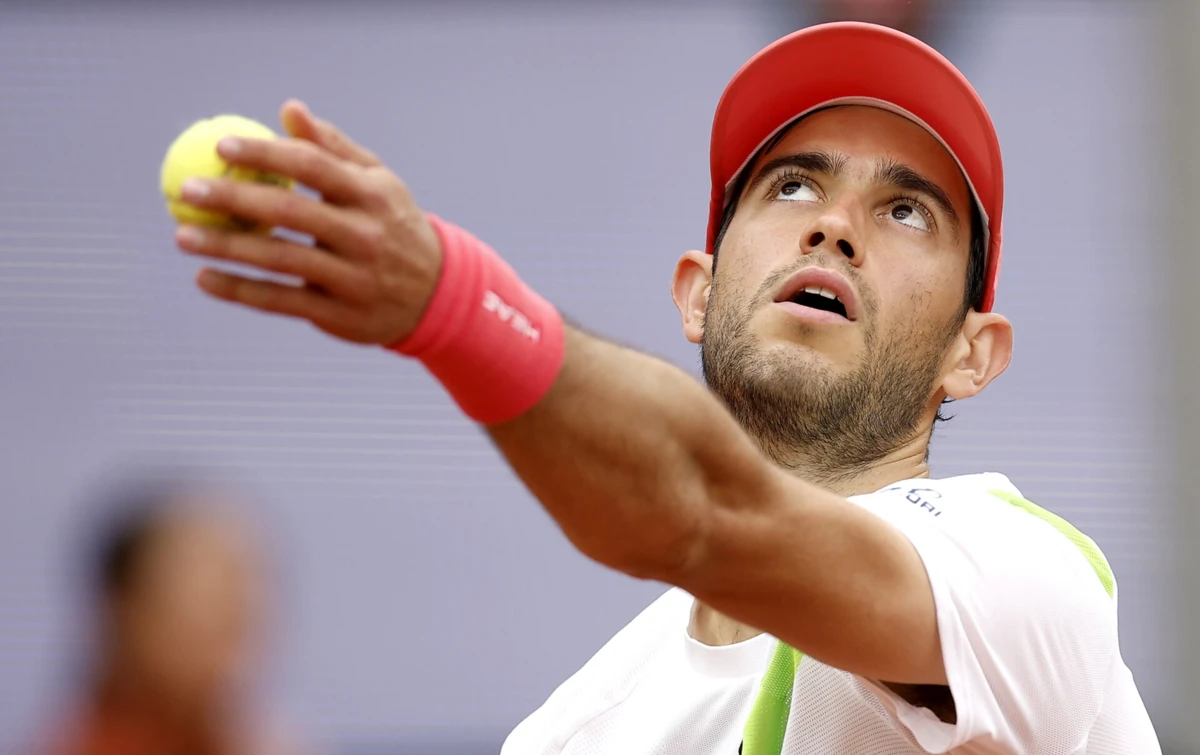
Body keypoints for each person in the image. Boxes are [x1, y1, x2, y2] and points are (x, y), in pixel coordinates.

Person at [168, 20, 1161, 754]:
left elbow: (702, 514)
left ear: (972, 353)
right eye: (794, 186)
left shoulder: (1025, 580)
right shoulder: (571, 732)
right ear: (699, 291)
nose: (836, 224)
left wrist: (452, 302)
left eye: (907, 209)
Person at [42, 479, 296, 755]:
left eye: (239, 621)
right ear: (126, 613)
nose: (230, 658)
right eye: (206, 618)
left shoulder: (231, 738)